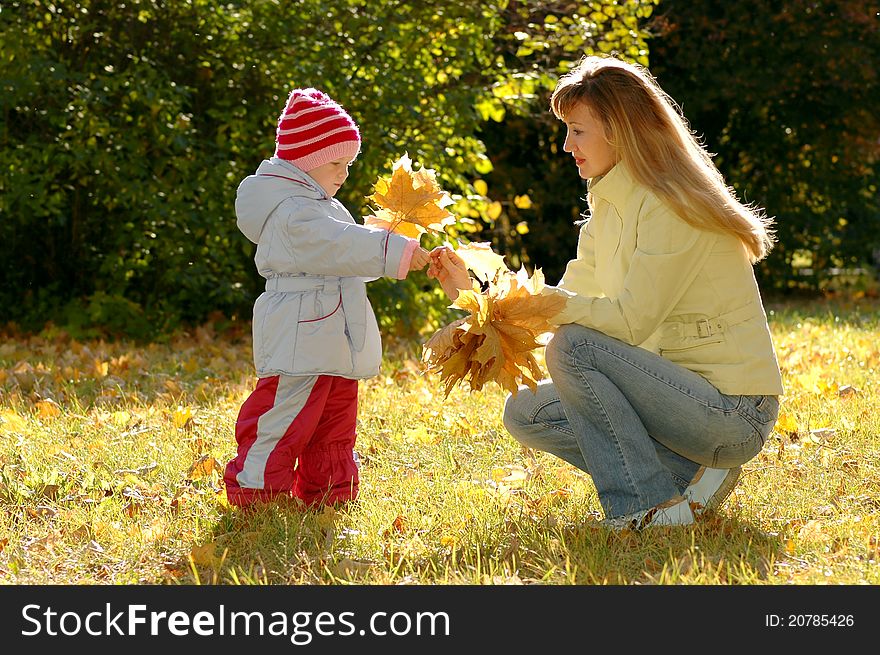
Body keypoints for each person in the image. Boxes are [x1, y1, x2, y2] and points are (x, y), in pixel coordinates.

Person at [428, 55, 783, 530]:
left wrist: (544, 311)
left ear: (619, 129)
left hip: (732, 412)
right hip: (676, 400)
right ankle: (690, 475)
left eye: (577, 130)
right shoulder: (608, 206)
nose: (565, 144)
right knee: (527, 412)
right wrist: (476, 296)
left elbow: (627, 321)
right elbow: (563, 305)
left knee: (575, 347)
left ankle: (647, 507)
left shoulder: (669, 206)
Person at [224, 88, 430, 509]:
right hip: (301, 334)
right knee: (285, 415)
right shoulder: (292, 212)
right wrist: (397, 249)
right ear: (306, 158)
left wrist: (392, 250)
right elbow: (340, 246)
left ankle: (331, 491)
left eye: (348, 164)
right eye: (337, 162)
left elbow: (347, 253)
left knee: (334, 417)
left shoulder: (316, 205)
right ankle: (257, 490)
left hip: (329, 330)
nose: (344, 173)